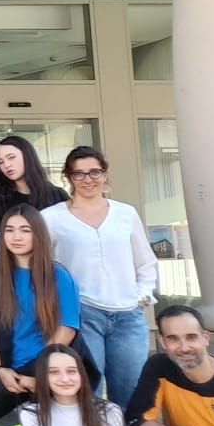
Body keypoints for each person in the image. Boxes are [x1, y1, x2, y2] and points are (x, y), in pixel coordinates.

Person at [43, 146, 157, 409]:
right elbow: (42, 269)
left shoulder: (125, 213)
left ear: (105, 175)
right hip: (83, 315)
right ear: (68, 178)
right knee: (85, 391)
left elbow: (145, 260)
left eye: (95, 172)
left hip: (128, 316)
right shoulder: (51, 218)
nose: (88, 179)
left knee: (130, 394)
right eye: (79, 174)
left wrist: (143, 295)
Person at [0, 205, 83, 426]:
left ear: (38, 235)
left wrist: (39, 373)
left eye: (25, 230)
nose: (16, 237)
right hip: (10, 369)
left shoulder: (59, 275)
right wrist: (0, 369)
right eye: (9, 230)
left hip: (50, 369)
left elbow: (66, 329)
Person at [0, 135, 68, 226]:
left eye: (11, 157)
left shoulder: (57, 195)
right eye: (0, 162)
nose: (6, 165)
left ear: (27, 156)